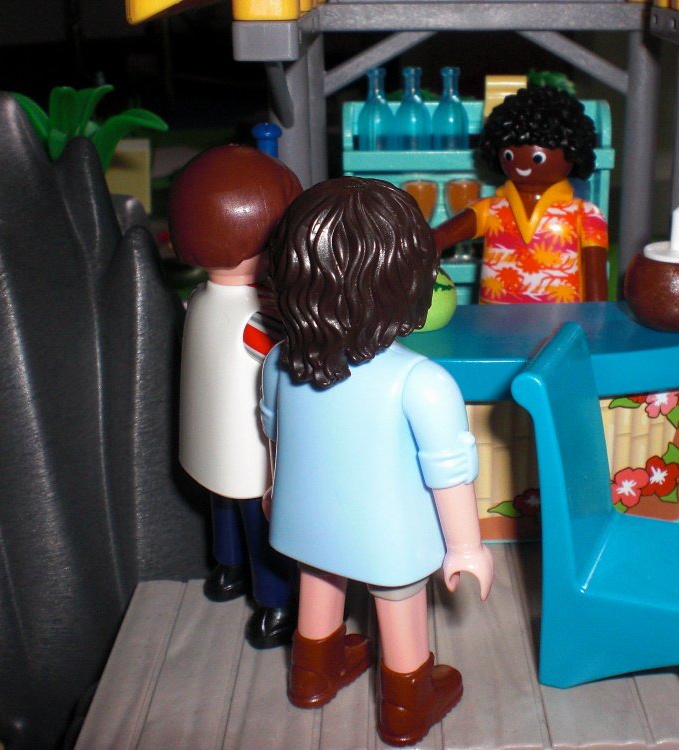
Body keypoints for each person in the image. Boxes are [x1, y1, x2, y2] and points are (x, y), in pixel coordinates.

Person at [260, 176, 494, 747]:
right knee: (397, 601)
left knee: (319, 576)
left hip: (306, 520)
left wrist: (274, 490)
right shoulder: (423, 382)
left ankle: (312, 674)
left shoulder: (279, 360)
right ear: (409, 282)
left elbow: (274, 435)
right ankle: (408, 703)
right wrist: (466, 547)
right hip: (388, 536)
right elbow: (450, 473)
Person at [169, 144, 302, 649]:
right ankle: (276, 604)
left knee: (222, 510)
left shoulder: (199, 299)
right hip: (249, 452)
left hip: (206, 443)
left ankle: (227, 571)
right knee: (262, 526)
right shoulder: (255, 318)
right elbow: (292, 356)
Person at [432, 85, 609, 303]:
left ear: (574, 152)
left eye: (537, 158)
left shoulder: (586, 214)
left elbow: (595, 278)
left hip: (561, 315)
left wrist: (596, 314)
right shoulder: (490, 210)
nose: (522, 165)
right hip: (494, 315)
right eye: (508, 155)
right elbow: (439, 238)